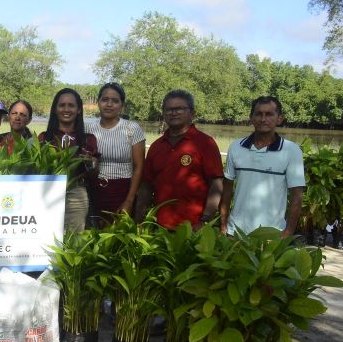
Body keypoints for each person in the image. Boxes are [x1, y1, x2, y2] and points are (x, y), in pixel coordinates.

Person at [219, 96, 304, 237]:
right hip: (235, 232)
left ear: (279, 118)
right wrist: (223, 225)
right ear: (251, 118)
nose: (263, 119)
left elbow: (297, 196)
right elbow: (227, 189)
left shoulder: (291, 151)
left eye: (269, 114)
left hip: (272, 233)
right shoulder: (235, 147)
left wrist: (288, 232)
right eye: (259, 114)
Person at [140, 90, 223, 230]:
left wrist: (205, 220)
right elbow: (146, 186)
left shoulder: (205, 143)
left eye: (179, 108)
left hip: (194, 228)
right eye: (169, 109)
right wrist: (141, 219)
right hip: (159, 226)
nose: (174, 113)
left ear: (192, 112)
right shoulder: (156, 146)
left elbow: (216, 184)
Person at [38, 88, 101, 232]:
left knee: (74, 240)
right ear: (55, 109)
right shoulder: (43, 138)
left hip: (76, 192)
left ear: (79, 110)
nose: (66, 109)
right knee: (46, 236)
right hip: (47, 192)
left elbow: (94, 175)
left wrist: (92, 164)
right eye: (62, 105)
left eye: (71, 105)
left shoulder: (88, 139)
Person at [87, 82, 145, 224]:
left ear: (122, 105)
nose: (109, 104)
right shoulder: (88, 128)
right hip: (93, 190)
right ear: (98, 102)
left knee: (118, 240)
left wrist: (129, 201)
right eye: (105, 100)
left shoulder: (132, 128)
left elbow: (139, 167)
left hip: (122, 191)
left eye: (115, 101)